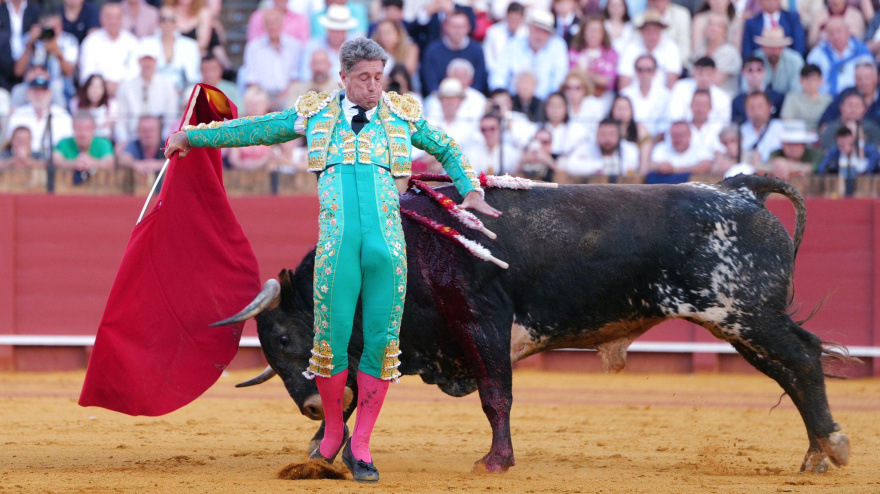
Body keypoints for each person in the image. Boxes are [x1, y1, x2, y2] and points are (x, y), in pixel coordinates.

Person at [163, 37, 500, 483]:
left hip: (387, 251)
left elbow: (446, 146)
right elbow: (254, 129)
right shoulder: (316, 113)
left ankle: (361, 445)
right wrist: (192, 135)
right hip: (336, 250)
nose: (374, 87)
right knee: (330, 344)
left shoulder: (400, 115)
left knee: (380, 346)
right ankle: (334, 434)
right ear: (343, 77)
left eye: (379, 78)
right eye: (364, 78)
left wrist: (470, 188)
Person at [489, 9, 569, 100]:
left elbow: (560, 78)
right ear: (529, 29)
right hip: (514, 100)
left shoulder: (558, 46)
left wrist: (551, 100)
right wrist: (501, 92)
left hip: (545, 103)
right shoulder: (514, 45)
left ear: (550, 34)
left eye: (544, 32)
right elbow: (499, 72)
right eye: (536, 30)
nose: (539, 35)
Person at [114, 42, 179, 146]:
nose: (148, 64)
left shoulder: (167, 87)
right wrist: (123, 141)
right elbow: (121, 120)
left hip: (160, 142)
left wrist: (166, 142)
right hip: (132, 139)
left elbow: (170, 120)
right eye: (144, 60)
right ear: (139, 61)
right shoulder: (126, 88)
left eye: (151, 60)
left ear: (156, 61)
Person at [239, 11, 301, 110]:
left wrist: (279, 99)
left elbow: (295, 78)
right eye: (269, 23)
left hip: (286, 94)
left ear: (282, 23)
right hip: (261, 94)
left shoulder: (294, 45)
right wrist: (265, 99)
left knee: (294, 102)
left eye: (275, 22)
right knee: (254, 101)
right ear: (264, 25)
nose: (272, 26)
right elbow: (251, 79)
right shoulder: (253, 47)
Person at [13, 11, 79, 101]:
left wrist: (58, 52)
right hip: (32, 85)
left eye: (54, 28)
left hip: (59, 87)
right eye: (47, 28)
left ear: (61, 27)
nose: (51, 32)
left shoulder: (69, 41)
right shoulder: (30, 39)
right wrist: (29, 45)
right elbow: (18, 71)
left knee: (57, 88)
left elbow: (69, 72)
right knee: (17, 91)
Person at [420, 10, 487, 95]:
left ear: (469, 27)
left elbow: (479, 82)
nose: (458, 31)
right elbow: (430, 84)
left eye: (462, 27)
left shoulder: (477, 50)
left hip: (470, 98)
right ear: (445, 26)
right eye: (454, 26)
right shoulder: (433, 50)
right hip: (441, 98)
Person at [78, 2, 140, 93]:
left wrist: (120, 86)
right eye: (109, 17)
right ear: (101, 19)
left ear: (122, 19)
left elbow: (135, 72)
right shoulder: (90, 42)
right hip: (99, 94)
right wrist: (105, 85)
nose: (113, 22)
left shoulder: (132, 42)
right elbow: (87, 73)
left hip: (127, 92)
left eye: (117, 18)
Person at [141, 6, 201, 94]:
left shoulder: (190, 45)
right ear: (158, 22)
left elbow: (193, 76)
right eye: (163, 19)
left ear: (176, 22)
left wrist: (181, 89)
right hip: (153, 90)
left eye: (171, 19)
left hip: (182, 92)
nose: (167, 23)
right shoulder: (146, 44)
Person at [806, 17, 873, 96]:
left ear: (848, 32)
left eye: (839, 31)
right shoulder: (817, 54)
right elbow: (807, 78)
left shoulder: (861, 52)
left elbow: (871, 80)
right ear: (826, 35)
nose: (836, 36)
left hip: (856, 100)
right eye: (831, 33)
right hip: (824, 100)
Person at [616, 10, 682, 89]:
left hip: (664, 97)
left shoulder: (671, 47)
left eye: (655, 31)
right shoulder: (631, 47)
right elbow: (624, 79)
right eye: (648, 31)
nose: (651, 35)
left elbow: (672, 79)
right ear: (642, 32)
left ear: (661, 32)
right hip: (634, 96)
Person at [5, 76, 73, 153]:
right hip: (25, 160)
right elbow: (10, 143)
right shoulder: (18, 115)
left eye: (43, 91)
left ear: (50, 93)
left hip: (54, 161)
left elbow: (68, 144)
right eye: (36, 91)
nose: (39, 95)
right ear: (28, 93)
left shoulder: (63, 116)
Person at [53, 111, 114, 184]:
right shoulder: (64, 143)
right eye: (79, 129)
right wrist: (73, 164)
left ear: (93, 129)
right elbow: (55, 160)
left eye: (87, 129)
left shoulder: (103, 143)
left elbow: (110, 162)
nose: (83, 134)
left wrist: (93, 163)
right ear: (73, 128)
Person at [690, 11, 741, 97]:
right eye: (710, 25)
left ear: (725, 31)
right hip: (699, 98)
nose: (713, 28)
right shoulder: (700, 50)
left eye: (718, 26)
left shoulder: (729, 51)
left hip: (723, 98)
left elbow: (713, 81)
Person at [566, 117, 639, 176]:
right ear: (596, 135)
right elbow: (571, 165)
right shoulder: (587, 146)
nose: (607, 138)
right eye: (603, 134)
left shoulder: (630, 148)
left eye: (611, 134)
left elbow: (630, 168)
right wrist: (602, 165)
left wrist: (597, 168)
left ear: (618, 136)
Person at [619, 54, 670, 136]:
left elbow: (665, 127)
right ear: (635, 71)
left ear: (655, 71)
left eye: (649, 70)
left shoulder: (666, 95)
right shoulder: (625, 94)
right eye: (640, 69)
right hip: (631, 138)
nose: (644, 73)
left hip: (657, 141)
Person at [568, 16, 618, 94]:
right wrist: (596, 75)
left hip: (602, 96)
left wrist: (584, 72)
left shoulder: (610, 53)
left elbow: (607, 81)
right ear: (583, 33)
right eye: (591, 30)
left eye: (598, 31)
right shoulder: (574, 52)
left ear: (603, 34)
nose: (594, 34)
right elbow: (572, 76)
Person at [741, 0, 806, 57]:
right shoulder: (752, 22)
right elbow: (747, 51)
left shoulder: (792, 18)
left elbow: (799, 46)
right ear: (760, 1)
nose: (771, 1)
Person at [649, 120, 713, 177]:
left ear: (689, 135)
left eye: (681, 135)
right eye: (674, 136)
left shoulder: (701, 148)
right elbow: (651, 166)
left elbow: (705, 167)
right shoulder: (661, 148)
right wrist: (660, 167)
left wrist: (674, 169)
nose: (678, 139)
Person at [752, 27, 803, 95]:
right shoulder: (754, 59)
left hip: (788, 103)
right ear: (762, 47)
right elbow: (747, 89)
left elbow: (797, 91)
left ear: (783, 47)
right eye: (769, 47)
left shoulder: (795, 61)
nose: (773, 51)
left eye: (777, 47)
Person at [780, 64, 832, 131]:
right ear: (800, 81)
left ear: (821, 81)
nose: (810, 83)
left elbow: (831, 124)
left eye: (814, 79)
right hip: (797, 136)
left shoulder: (828, 100)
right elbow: (786, 121)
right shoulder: (792, 98)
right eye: (807, 79)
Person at [732, 57, 784, 122]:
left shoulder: (777, 98)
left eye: (759, 70)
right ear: (742, 73)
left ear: (765, 72)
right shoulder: (737, 101)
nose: (754, 75)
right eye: (750, 70)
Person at [739, 90, 785, 163]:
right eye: (751, 108)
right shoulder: (740, 131)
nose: (756, 112)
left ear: (769, 107)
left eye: (760, 107)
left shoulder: (781, 128)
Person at [483, 2, 526, 75]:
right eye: (511, 18)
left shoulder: (527, 34)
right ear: (506, 16)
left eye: (516, 19)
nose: (513, 22)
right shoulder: (493, 32)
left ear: (522, 18)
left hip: (519, 76)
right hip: (495, 73)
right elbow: (488, 58)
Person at [69, 74, 117, 140]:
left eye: (99, 87)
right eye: (92, 87)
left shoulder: (112, 105)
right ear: (86, 88)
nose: (95, 91)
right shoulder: (76, 103)